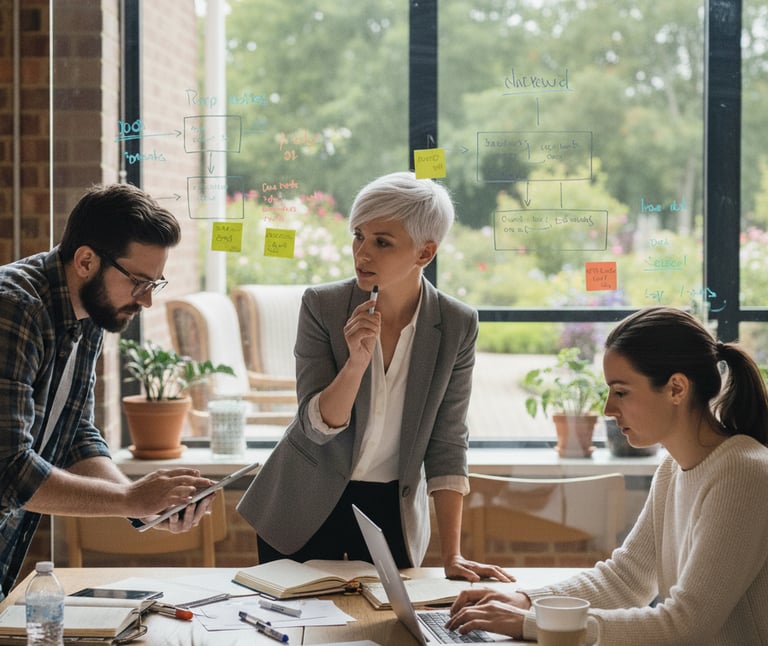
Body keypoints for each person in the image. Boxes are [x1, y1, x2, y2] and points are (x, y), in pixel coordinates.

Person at [238, 171, 511, 582]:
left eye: (382, 242)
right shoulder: (322, 306)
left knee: (388, 618)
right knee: (300, 620)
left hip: (391, 509)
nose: (362, 253)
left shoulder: (457, 324)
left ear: (425, 253)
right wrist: (356, 363)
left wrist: (452, 555)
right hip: (303, 502)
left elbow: (448, 440)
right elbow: (315, 426)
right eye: (358, 236)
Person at [447, 306, 768, 644]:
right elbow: (626, 580)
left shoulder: (742, 473)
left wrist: (535, 622)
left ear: (676, 388)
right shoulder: (672, 469)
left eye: (621, 392)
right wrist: (526, 601)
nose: (608, 410)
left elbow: (686, 625)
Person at [0, 183, 215, 599]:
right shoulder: (14, 309)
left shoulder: (90, 314)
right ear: (86, 261)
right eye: (138, 282)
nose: (147, 301)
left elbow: (75, 434)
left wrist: (142, 509)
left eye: (155, 284)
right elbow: (9, 470)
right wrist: (129, 498)